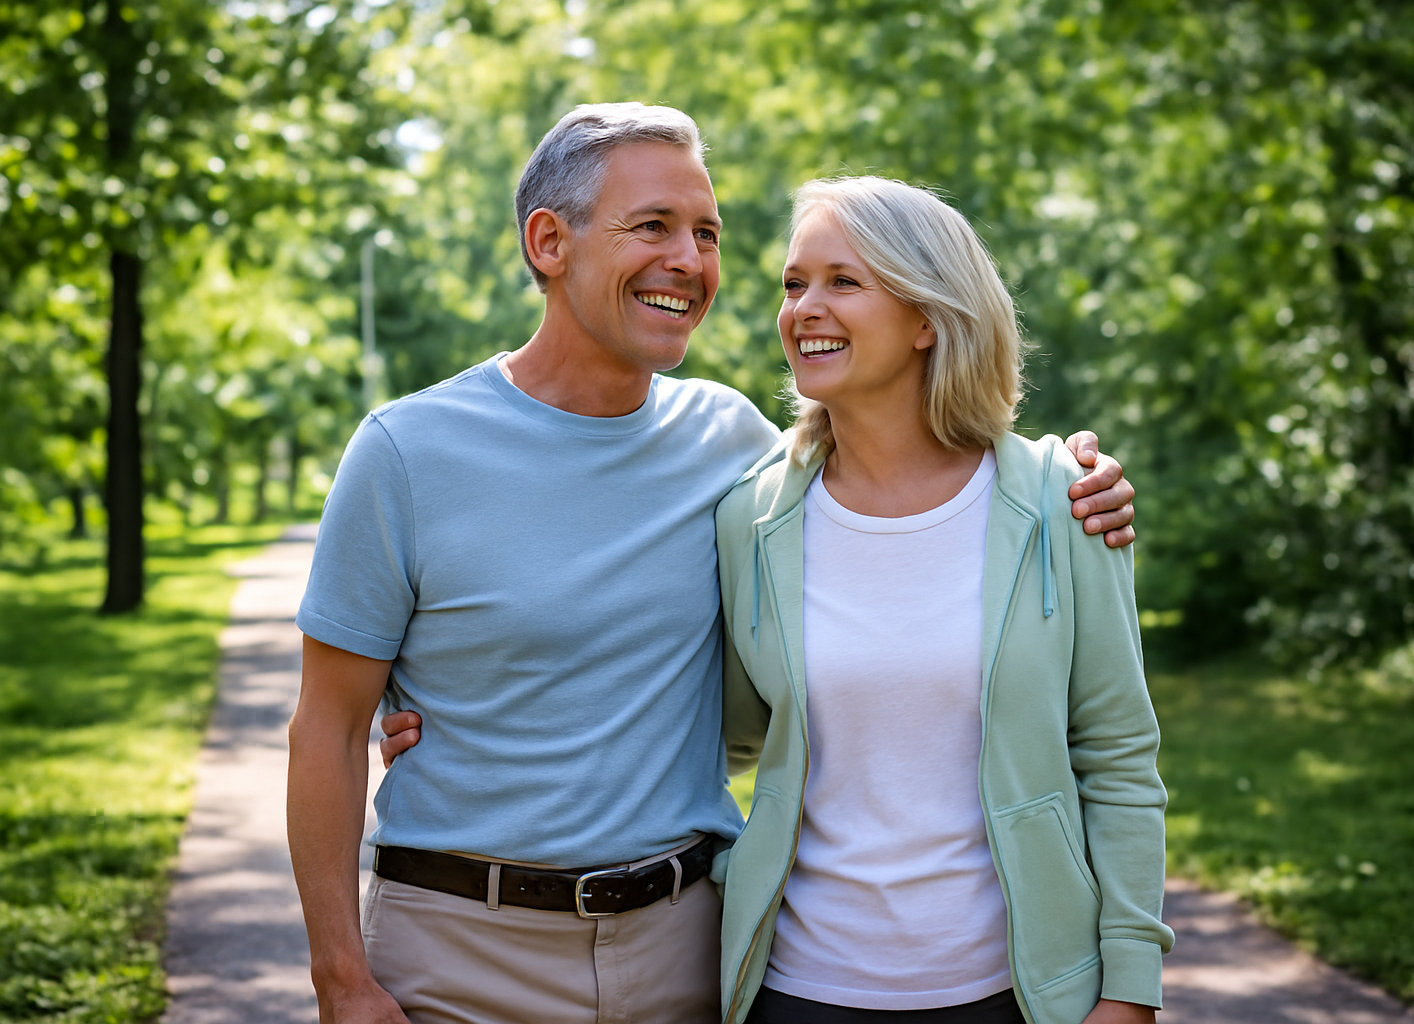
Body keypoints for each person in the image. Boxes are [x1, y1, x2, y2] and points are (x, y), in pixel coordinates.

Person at [289, 103, 1137, 1024]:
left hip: (686, 948)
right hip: (459, 953)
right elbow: (326, 726)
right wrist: (342, 979)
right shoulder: (407, 452)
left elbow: (895, 483)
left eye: (706, 234)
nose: (689, 261)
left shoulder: (735, 451)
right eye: (653, 225)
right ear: (549, 243)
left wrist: (1072, 479)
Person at [711, 177, 1173, 1024]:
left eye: (843, 281)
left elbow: (1117, 759)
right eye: (793, 283)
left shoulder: (1062, 500)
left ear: (927, 317)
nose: (805, 308)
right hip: (798, 991)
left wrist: (1129, 986)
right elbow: (730, 737)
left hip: (1013, 993)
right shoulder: (752, 516)